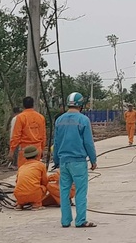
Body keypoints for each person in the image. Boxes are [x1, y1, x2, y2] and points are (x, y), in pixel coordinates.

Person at [53, 92, 98, 228]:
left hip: (63, 161)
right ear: (81, 105)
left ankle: (65, 221)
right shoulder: (83, 120)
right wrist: (93, 159)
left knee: (64, 191)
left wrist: (56, 160)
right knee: (80, 191)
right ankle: (80, 220)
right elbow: (88, 142)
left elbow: (56, 142)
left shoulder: (59, 120)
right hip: (78, 161)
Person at [10, 97, 46, 168]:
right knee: (35, 171)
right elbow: (43, 135)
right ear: (33, 104)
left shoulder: (20, 117)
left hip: (25, 150)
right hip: (37, 149)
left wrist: (12, 150)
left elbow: (16, 135)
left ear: (23, 105)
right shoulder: (40, 117)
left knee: (24, 171)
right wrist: (42, 149)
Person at [13, 145, 48, 211]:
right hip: (34, 194)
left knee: (23, 190)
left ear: (25, 157)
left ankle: (20, 204)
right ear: (37, 155)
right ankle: (36, 204)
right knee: (45, 187)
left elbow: (17, 182)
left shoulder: (21, 167)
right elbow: (45, 181)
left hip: (18, 195)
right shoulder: (40, 165)